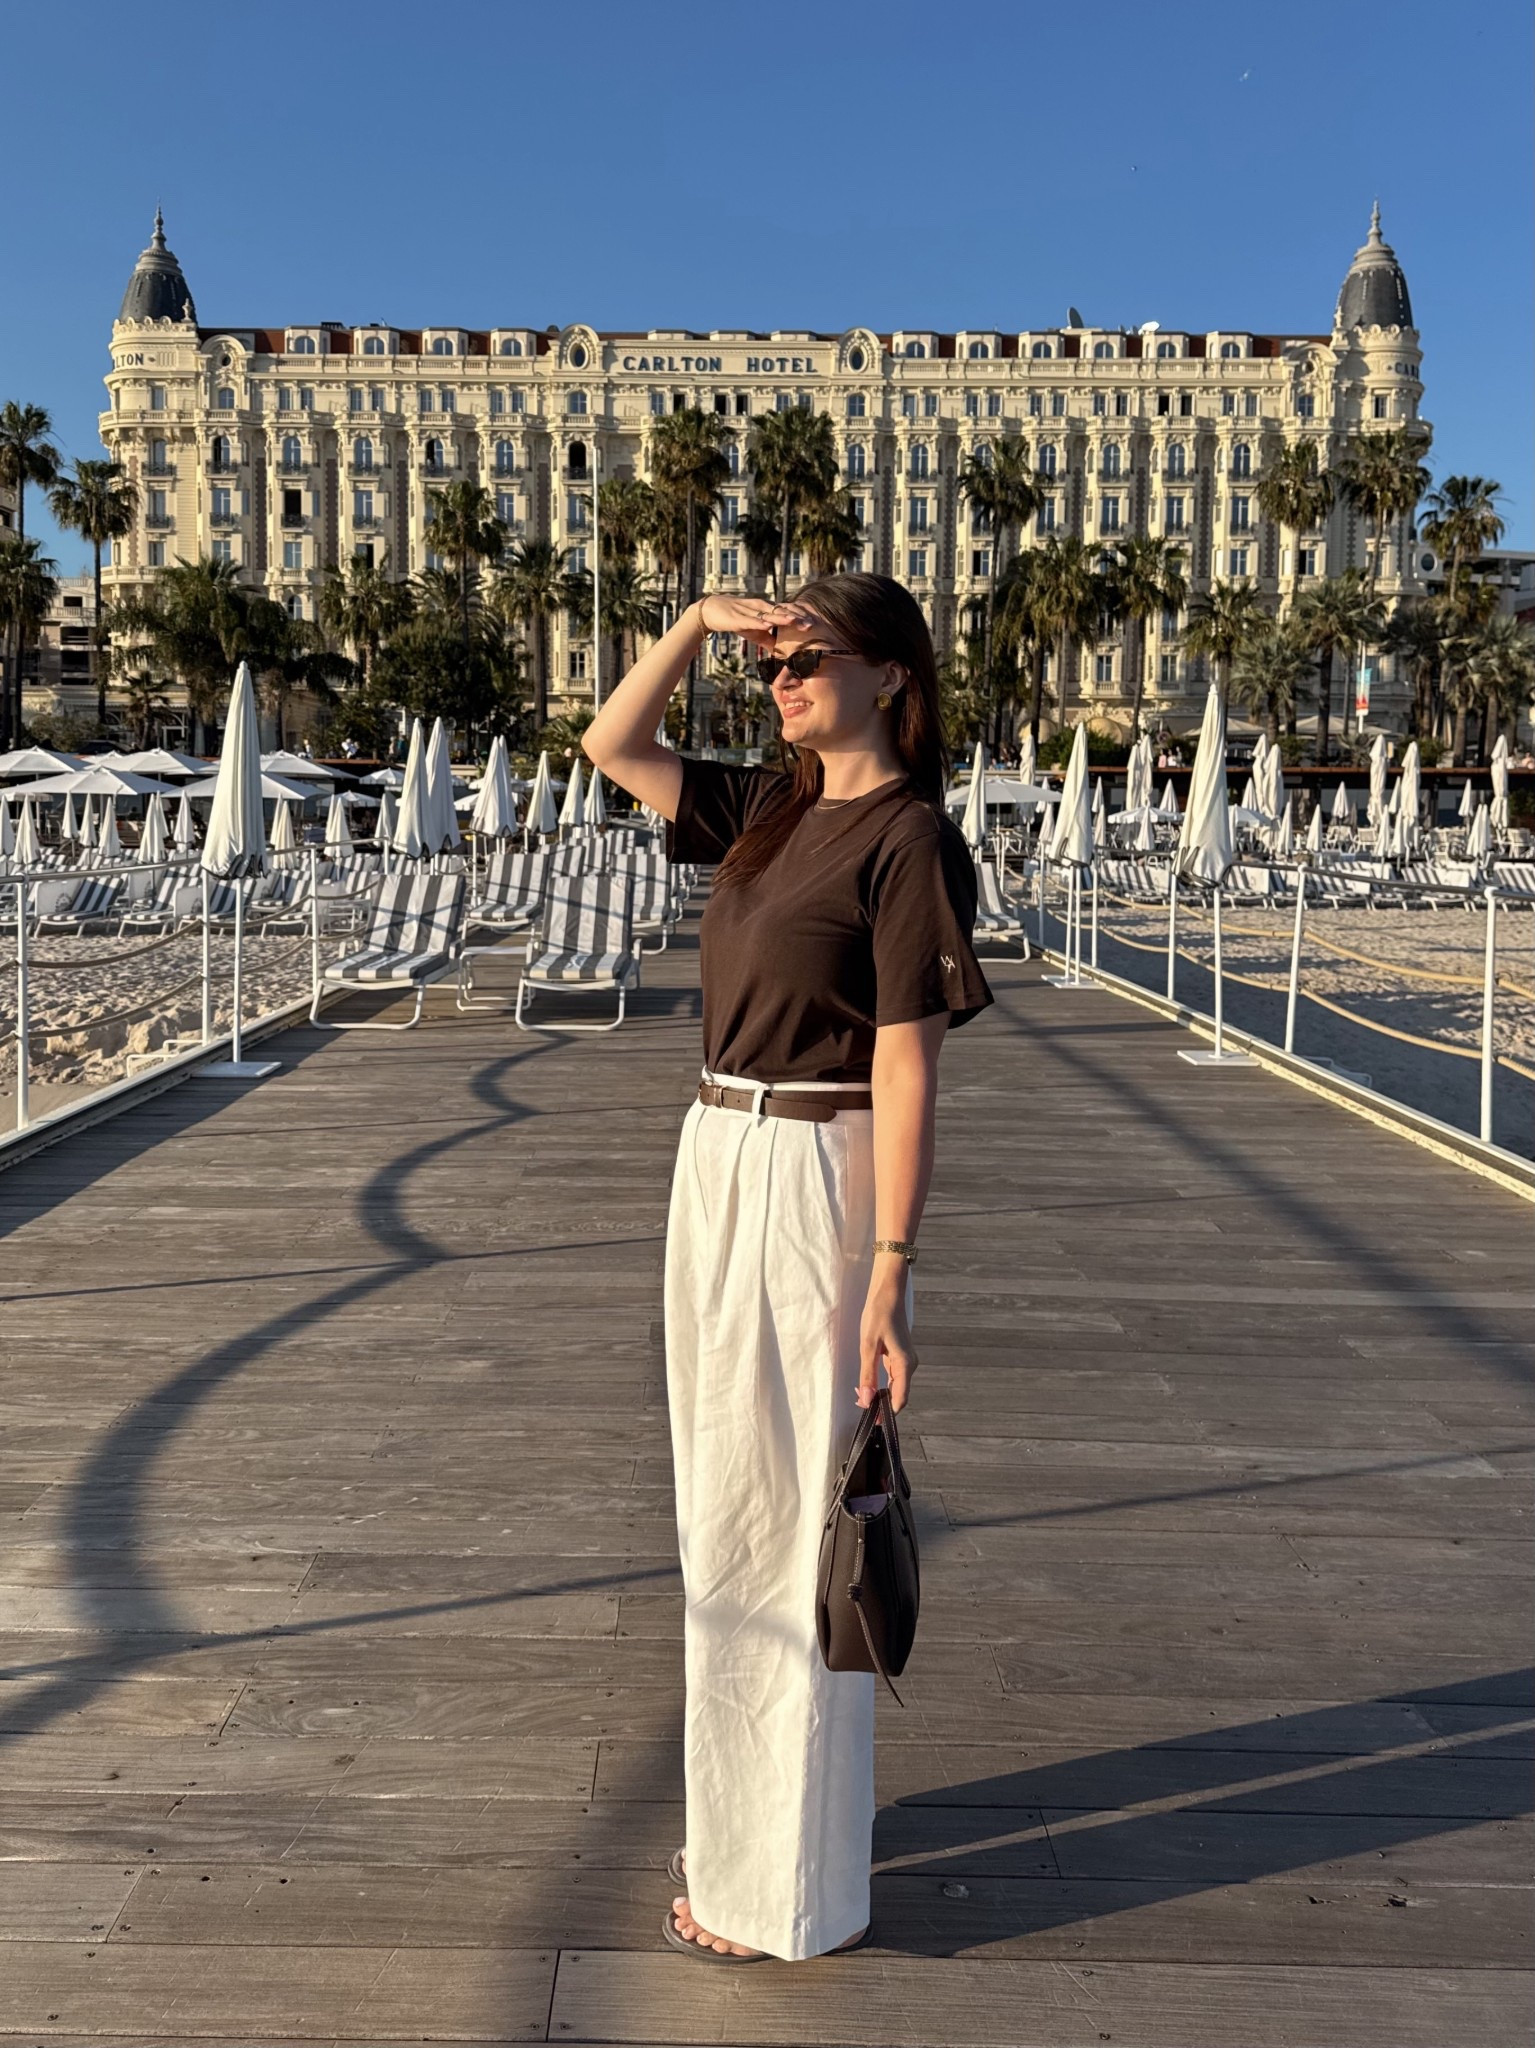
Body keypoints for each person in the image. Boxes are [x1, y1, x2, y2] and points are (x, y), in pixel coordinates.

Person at [584, 573, 993, 1965]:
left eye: (811, 655)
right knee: (727, 1517)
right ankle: (766, 1845)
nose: (785, 676)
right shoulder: (771, 809)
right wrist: (700, 627)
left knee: (790, 1527)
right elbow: (611, 746)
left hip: (821, 1169)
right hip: (716, 1150)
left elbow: (904, 1059)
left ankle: (780, 1896)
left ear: (891, 673)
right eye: (775, 659)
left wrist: (890, 1264)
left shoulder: (908, 837)